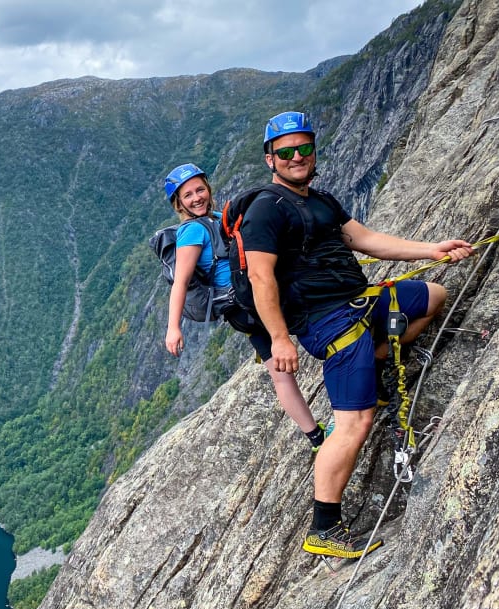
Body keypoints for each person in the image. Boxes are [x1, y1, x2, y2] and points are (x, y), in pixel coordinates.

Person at [240, 111, 474, 559]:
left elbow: (365, 240)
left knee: (431, 296)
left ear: (313, 150)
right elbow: (261, 280)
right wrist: (280, 339)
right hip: (325, 321)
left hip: (358, 300)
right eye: (285, 152)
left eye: (303, 148)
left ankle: (378, 361)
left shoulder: (322, 200)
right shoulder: (265, 211)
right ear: (270, 159)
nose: (296, 157)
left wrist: (432, 250)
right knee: (354, 422)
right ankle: (325, 527)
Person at [162, 163, 325, 452]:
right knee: (299, 350)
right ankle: (320, 432)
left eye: (200, 189)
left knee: (280, 372)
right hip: (248, 304)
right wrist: (173, 328)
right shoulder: (191, 232)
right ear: (179, 203)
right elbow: (180, 282)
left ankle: (316, 437)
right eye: (188, 195)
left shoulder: (215, 219)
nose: (196, 197)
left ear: (208, 189)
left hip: (246, 303)